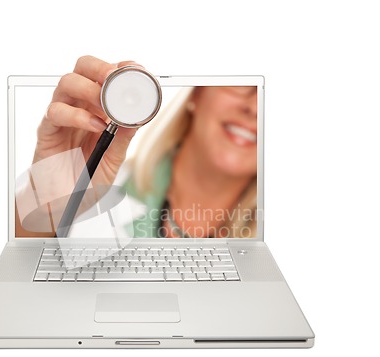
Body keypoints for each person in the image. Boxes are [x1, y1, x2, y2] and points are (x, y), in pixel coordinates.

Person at [16, 55, 258, 238]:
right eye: (244, 83)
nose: (255, 108)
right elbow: (16, 287)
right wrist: (48, 207)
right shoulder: (97, 182)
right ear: (197, 92)